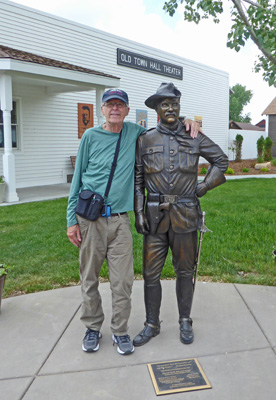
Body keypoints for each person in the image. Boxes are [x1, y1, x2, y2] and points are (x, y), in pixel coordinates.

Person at [66, 88, 201, 356]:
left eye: (120, 105)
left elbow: (167, 124)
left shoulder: (136, 135)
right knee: (89, 278)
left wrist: (189, 120)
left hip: (120, 221)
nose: (114, 109)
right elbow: (77, 180)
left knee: (123, 281)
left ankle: (120, 331)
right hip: (90, 220)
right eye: (110, 105)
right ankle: (92, 328)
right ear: (102, 110)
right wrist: (72, 220)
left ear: (127, 111)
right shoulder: (90, 137)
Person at [133, 82, 229, 347]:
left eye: (174, 104)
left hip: (186, 214)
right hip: (154, 216)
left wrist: (205, 186)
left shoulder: (194, 136)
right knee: (150, 273)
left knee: (185, 271)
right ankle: (152, 323)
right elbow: (138, 179)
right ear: (156, 110)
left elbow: (222, 161)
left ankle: (185, 320)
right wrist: (138, 213)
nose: (171, 108)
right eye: (165, 104)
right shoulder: (145, 139)